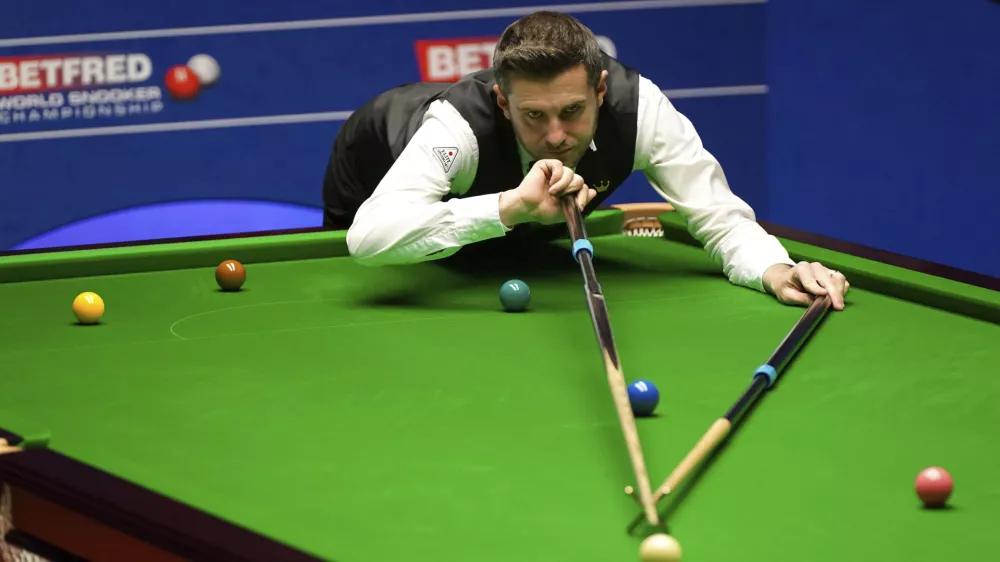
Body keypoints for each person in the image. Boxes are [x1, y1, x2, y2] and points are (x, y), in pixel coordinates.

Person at [322, 11, 849, 310]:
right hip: (376, 154)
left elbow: (719, 216)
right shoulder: (457, 128)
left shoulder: (641, 110)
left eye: (573, 110)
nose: (555, 135)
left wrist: (774, 268)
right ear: (503, 104)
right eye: (533, 115)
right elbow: (368, 240)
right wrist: (508, 207)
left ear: (599, 89)